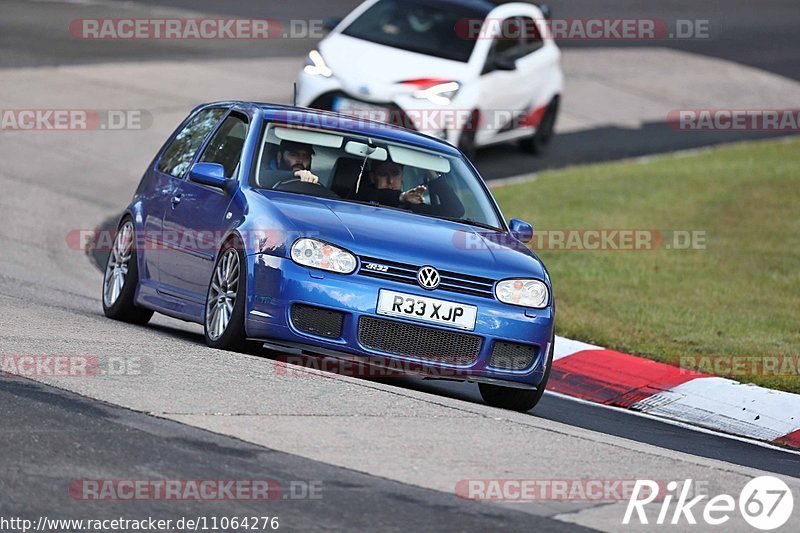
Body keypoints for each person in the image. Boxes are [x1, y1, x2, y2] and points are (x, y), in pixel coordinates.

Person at [356, 160, 464, 218]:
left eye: (395, 173)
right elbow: (371, 195)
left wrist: (433, 177)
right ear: (372, 177)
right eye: (383, 174)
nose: (390, 181)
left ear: (402, 176)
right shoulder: (360, 199)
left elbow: (455, 211)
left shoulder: (413, 207)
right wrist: (402, 196)